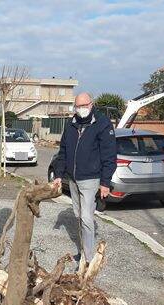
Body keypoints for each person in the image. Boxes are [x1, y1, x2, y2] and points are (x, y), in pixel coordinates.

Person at [53, 92, 117, 264]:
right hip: (73, 179)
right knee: (78, 216)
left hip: (90, 179)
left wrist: (105, 182)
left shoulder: (102, 124)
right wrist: (58, 174)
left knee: (87, 218)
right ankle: (83, 252)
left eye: (84, 106)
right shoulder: (71, 124)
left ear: (91, 104)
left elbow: (109, 155)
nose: (81, 109)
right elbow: (63, 151)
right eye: (78, 106)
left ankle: (88, 260)